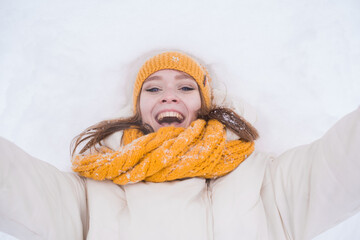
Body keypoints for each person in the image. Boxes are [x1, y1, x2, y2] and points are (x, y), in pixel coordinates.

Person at [0, 51, 359, 240]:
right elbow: (16, 184)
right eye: (153, 89)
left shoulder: (261, 178)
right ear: (137, 109)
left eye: (186, 88)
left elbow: (339, 164)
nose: (169, 96)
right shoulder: (94, 187)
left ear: (205, 103)